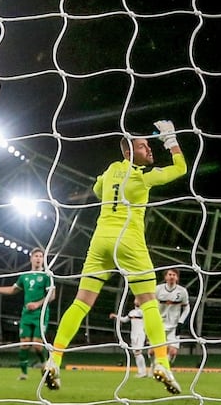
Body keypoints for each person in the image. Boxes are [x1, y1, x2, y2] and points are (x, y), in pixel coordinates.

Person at [44, 120, 187, 395]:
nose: (149, 149)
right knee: (149, 305)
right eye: (144, 146)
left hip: (100, 242)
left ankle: (55, 359)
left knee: (81, 303)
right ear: (130, 153)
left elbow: (98, 190)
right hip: (129, 241)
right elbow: (180, 168)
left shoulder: (111, 170)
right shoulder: (142, 177)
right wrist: (170, 139)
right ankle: (161, 362)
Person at [0, 248, 56, 380]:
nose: (38, 258)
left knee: (37, 345)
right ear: (31, 258)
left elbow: (52, 295)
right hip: (27, 314)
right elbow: (12, 290)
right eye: (36, 256)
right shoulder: (25, 276)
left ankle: (45, 362)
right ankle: (23, 373)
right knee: (24, 344)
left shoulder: (47, 275)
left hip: (41, 313)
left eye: (41, 256)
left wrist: (37, 304)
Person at [156, 269, 190, 365]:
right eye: (169, 274)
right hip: (159, 324)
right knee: (153, 351)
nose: (171, 277)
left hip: (174, 326)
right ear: (165, 277)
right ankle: (153, 366)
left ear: (177, 278)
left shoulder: (182, 291)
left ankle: (165, 368)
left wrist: (181, 322)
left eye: (174, 275)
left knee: (173, 351)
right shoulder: (157, 289)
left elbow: (187, 307)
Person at [110, 300, 148, 378]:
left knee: (138, 352)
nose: (136, 300)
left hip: (140, 334)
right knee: (136, 354)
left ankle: (143, 372)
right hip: (133, 334)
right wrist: (116, 316)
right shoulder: (132, 312)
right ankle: (141, 371)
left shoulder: (143, 311)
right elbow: (124, 319)